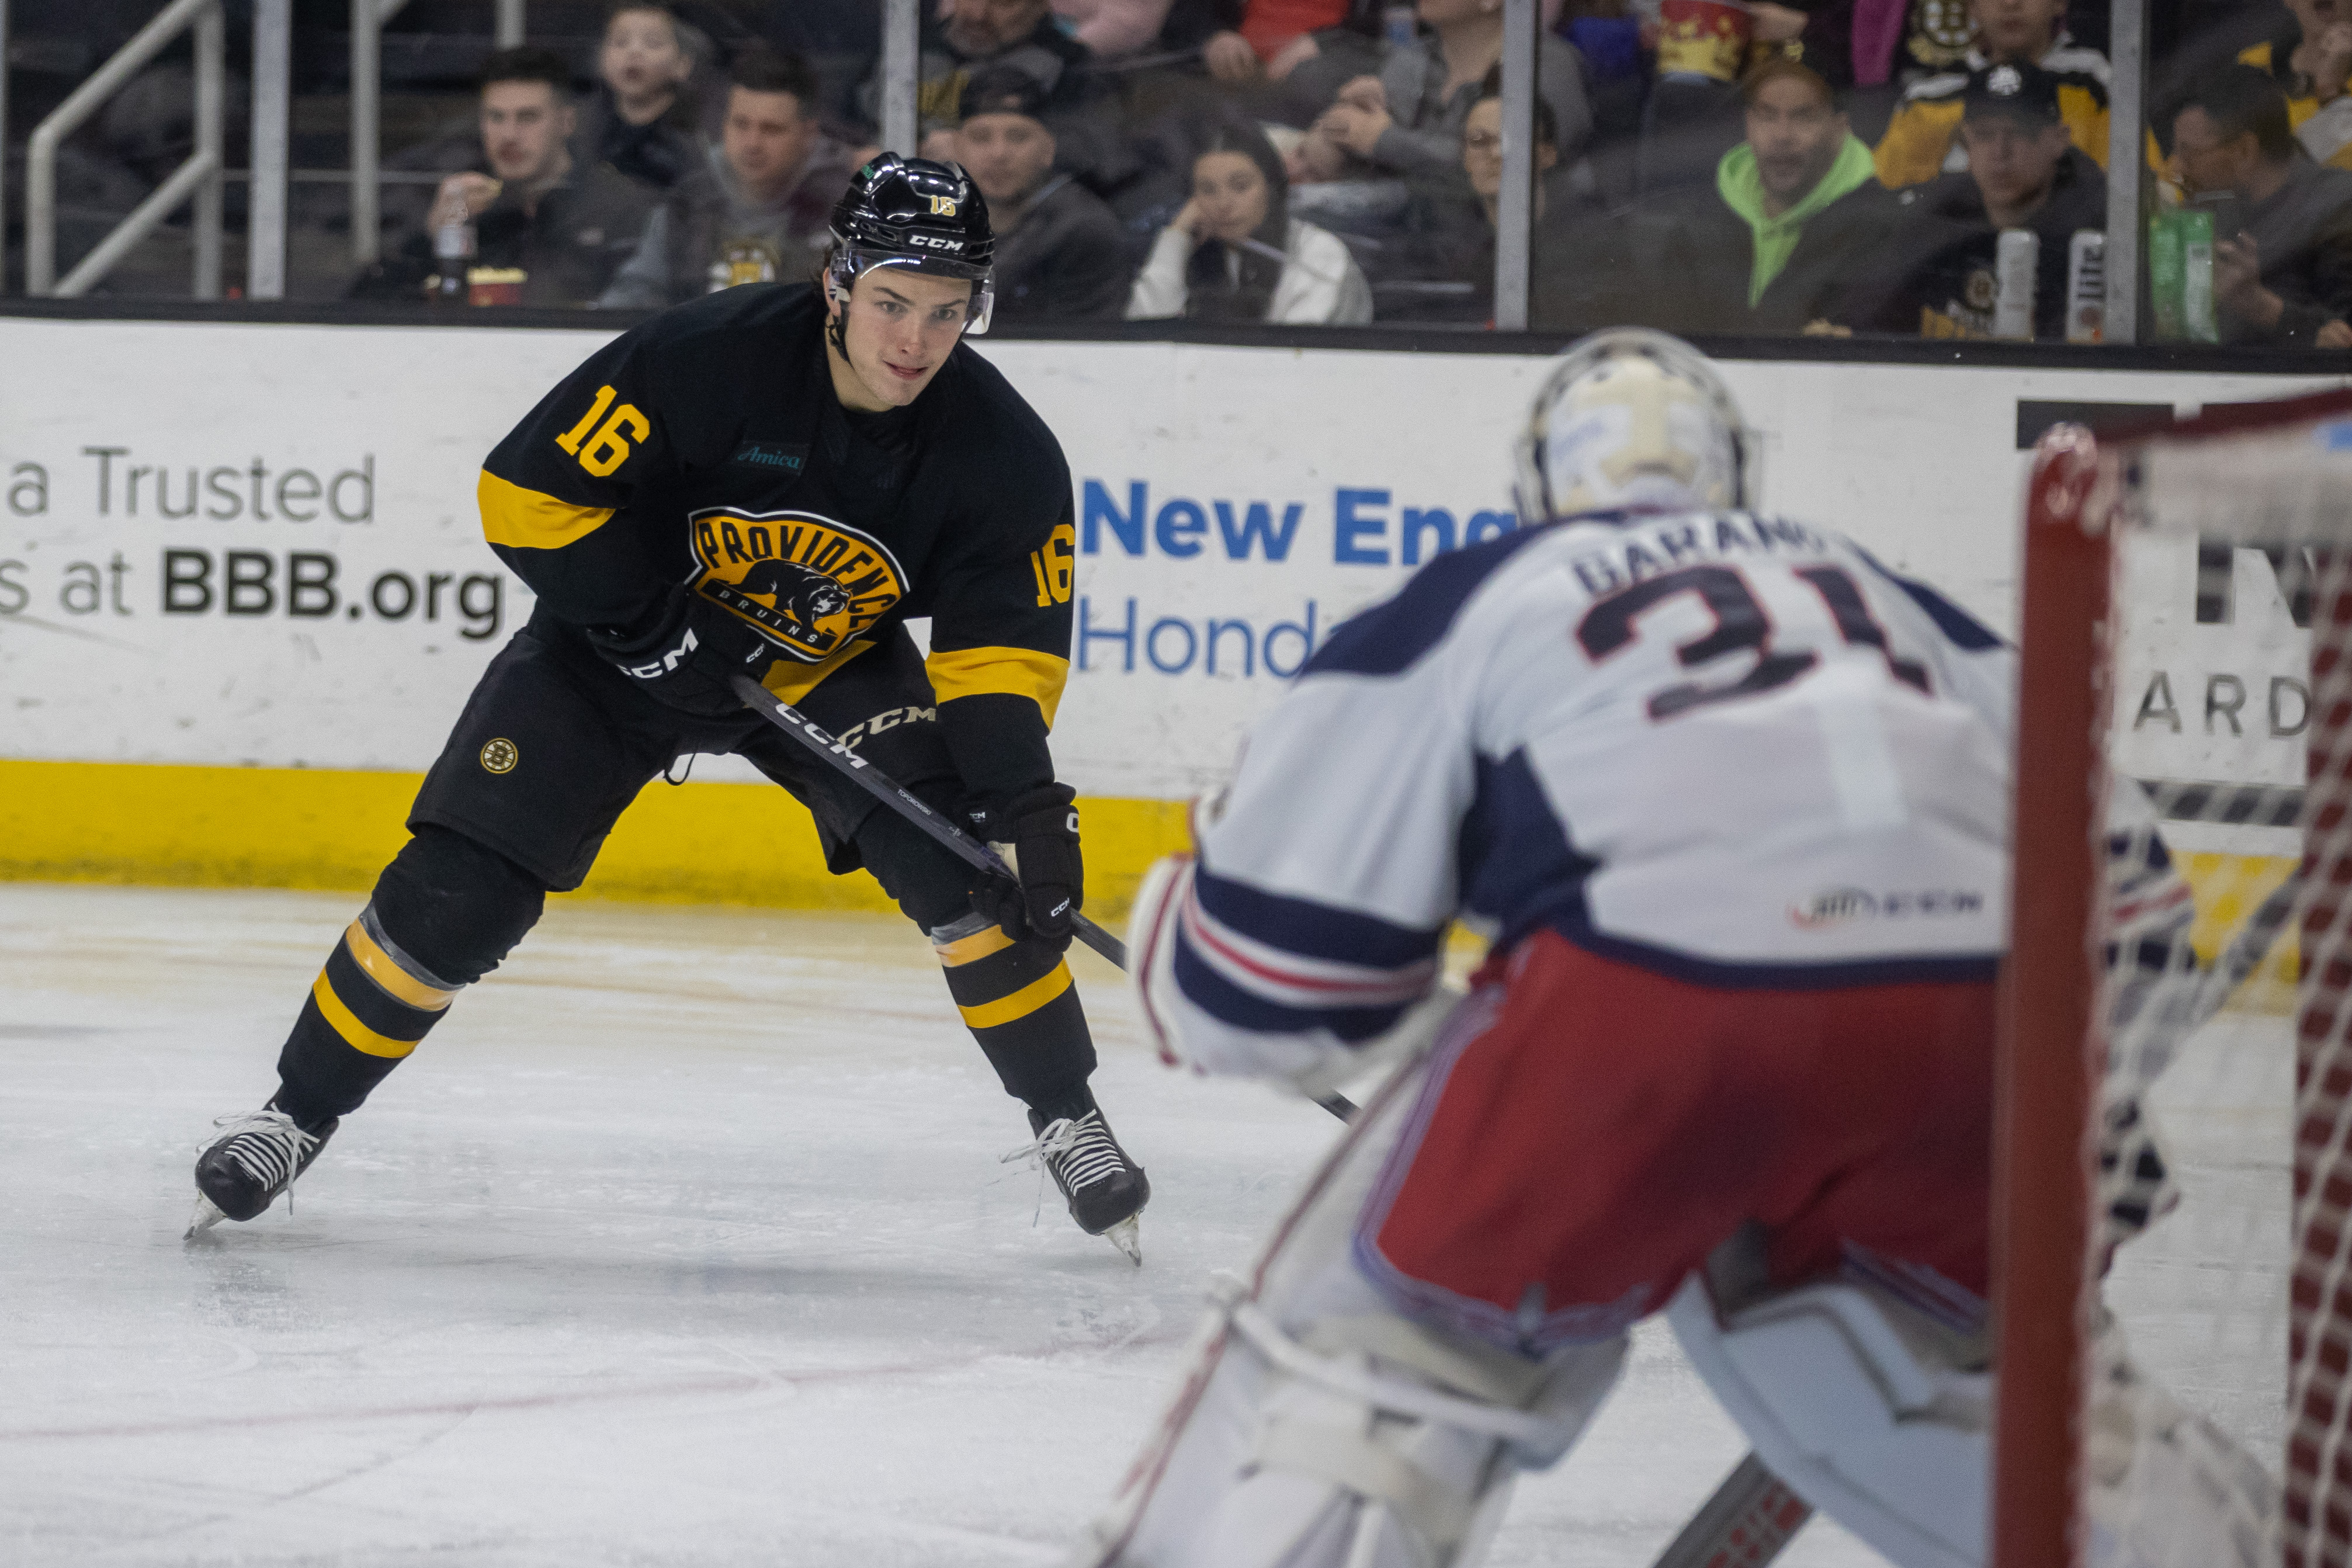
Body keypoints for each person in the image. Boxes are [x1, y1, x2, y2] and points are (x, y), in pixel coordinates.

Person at [1071, 328, 2274, 1568]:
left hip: (1650, 1009)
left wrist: (1175, 935)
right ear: (1735, 475)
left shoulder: (1486, 589)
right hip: (1987, 1028)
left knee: (1380, 1370)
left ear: (1537, 483)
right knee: (2013, 1406)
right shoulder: (1883, 592)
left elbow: (1280, 987)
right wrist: (2047, 1123)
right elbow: (2135, 914)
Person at [196, 157, 1153, 1264]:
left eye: (947, 313)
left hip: (823, 661)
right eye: (892, 302)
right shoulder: (710, 356)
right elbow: (524, 494)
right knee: (456, 894)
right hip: (617, 642)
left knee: (977, 878)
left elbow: (999, 662)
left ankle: (1068, 1115)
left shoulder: (1003, 453)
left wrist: (1026, 810)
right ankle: (294, 1114)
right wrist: (647, 627)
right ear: (836, 283)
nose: (915, 341)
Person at [349, 47, 657, 306]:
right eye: (496, 117)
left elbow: (643, 306)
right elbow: (362, 311)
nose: (508, 135)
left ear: (566, 122)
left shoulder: (622, 205)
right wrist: (434, 239)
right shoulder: (463, 201)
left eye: (528, 117)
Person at [1624, 53, 1896, 333]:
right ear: (1748, 125)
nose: (1782, 135)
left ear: (1839, 130)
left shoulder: (1883, 229)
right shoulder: (1697, 226)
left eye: (1804, 118)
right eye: (1767, 117)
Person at [1838, 61, 2104, 338]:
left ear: (2059, 140)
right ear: (1965, 143)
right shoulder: (1935, 213)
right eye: (1985, 135)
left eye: (2022, 132)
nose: (2000, 152)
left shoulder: (2102, 225)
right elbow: (1864, 318)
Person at [599, 46, 858, 310]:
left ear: (808, 135)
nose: (752, 143)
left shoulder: (843, 218)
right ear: (723, 125)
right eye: (740, 124)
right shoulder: (684, 208)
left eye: (772, 129)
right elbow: (629, 300)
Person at [1127, 115, 1374, 322]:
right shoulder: (1198, 252)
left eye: (1241, 187)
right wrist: (1177, 236)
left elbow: (1296, 357)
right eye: (1208, 190)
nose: (1224, 204)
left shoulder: (1317, 253)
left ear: (1271, 188)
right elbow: (1144, 335)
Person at [2173, 64, 2352, 349]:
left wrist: (2262, 307)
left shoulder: (2338, 209)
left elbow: (2342, 338)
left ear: (2243, 150)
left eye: (2189, 153)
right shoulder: (2214, 208)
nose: (2177, 168)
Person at [953, 68, 1133, 321]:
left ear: (1048, 150)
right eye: (981, 138)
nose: (999, 154)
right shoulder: (936, 219)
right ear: (957, 149)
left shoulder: (1082, 230)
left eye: (1017, 138)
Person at [1871, 0, 2108, 188]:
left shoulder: (2098, 84)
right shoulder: (1928, 97)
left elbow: (2133, 194)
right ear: (1972, 6)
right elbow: (1888, 204)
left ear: (2060, 2)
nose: (2010, 3)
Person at [571, 1, 704, 192]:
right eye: (621, 42)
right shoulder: (580, 128)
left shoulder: (693, 141)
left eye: (653, 43)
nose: (634, 52)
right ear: (602, 57)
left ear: (682, 64)